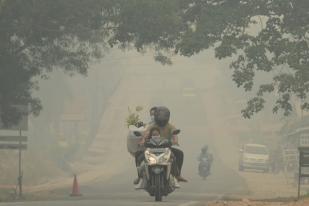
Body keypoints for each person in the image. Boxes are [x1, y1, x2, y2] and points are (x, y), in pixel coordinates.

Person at [145, 106, 187, 182]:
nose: (161, 119)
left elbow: (174, 134)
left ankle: (178, 175)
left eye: (163, 116)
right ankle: (140, 175)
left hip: (166, 148)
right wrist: (143, 140)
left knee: (179, 154)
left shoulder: (170, 126)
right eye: (160, 116)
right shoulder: (152, 126)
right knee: (141, 156)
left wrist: (175, 141)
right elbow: (146, 134)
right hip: (152, 148)